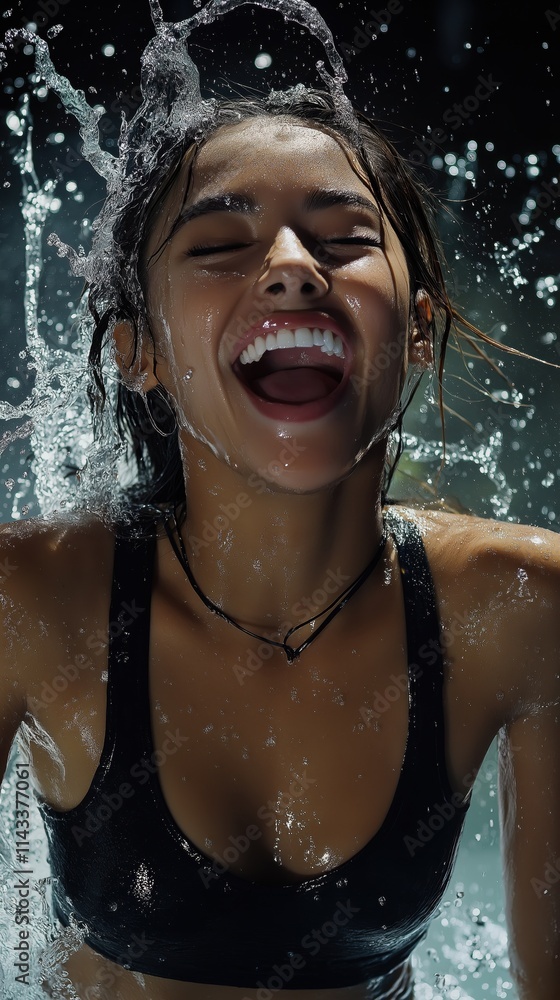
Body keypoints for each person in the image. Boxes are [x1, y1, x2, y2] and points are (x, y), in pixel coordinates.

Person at [0, 84, 558, 1000]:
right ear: (141, 351)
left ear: (417, 329)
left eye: (345, 240)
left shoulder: (517, 607)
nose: (294, 267)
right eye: (220, 246)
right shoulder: (32, 599)